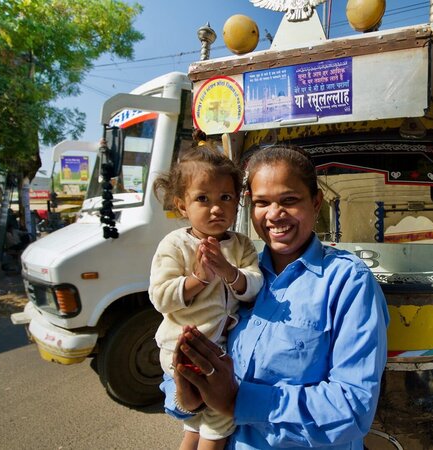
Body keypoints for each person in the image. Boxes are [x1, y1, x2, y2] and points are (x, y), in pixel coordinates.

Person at [168, 145, 389, 449]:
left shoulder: (347, 282)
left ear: (315, 202)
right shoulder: (235, 275)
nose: (274, 215)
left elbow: (352, 408)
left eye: (289, 200)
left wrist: (237, 402)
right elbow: (179, 357)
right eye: (262, 202)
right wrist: (187, 396)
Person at [149, 144, 264, 450]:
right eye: (203, 198)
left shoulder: (241, 246)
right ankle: (186, 393)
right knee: (219, 424)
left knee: (196, 425)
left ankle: (188, 399)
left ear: (238, 202)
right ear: (182, 205)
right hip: (184, 347)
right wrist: (198, 279)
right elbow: (160, 297)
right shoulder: (175, 244)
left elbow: (254, 286)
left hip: (219, 349)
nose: (216, 208)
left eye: (225, 197)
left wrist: (228, 271)